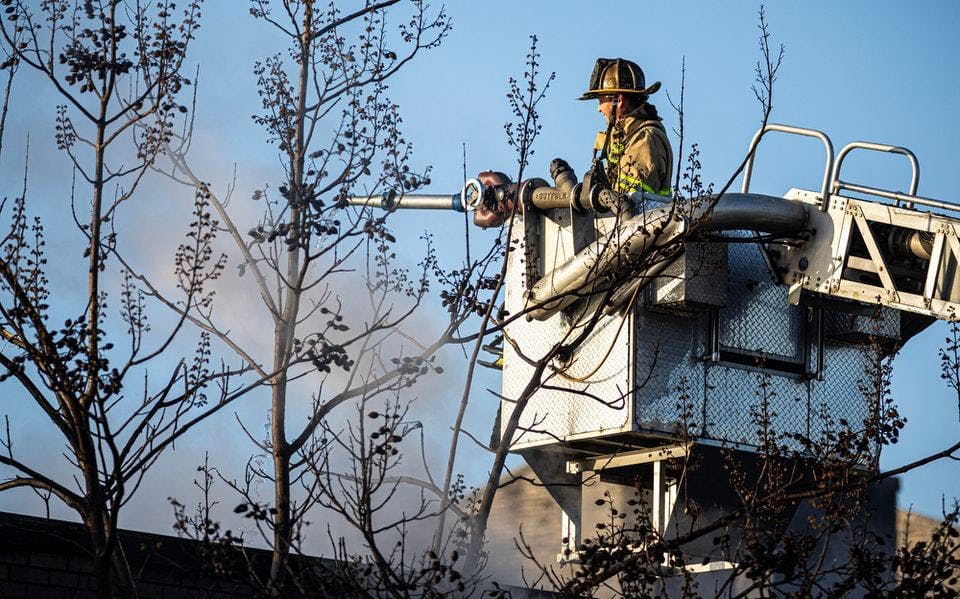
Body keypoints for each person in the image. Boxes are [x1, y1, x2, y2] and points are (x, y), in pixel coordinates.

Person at [580, 57, 673, 198]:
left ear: (619, 100)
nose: (599, 108)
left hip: (641, 219)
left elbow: (630, 199)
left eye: (601, 101)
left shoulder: (645, 139)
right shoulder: (625, 137)